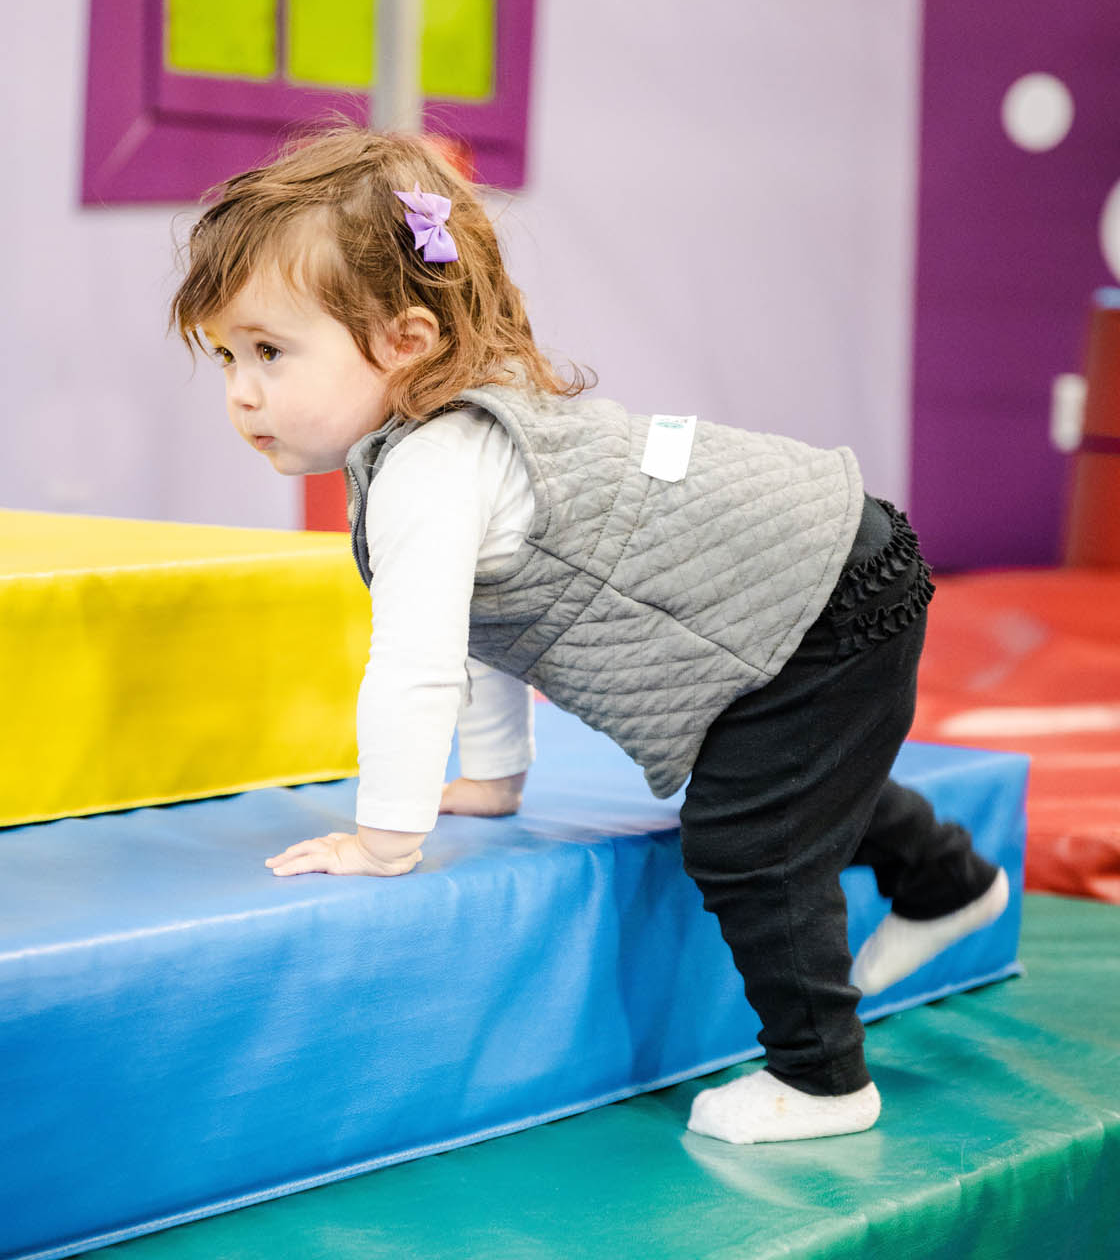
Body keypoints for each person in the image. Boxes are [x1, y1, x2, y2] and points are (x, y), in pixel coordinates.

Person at [169, 121, 1010, 1145]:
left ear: (405, 340)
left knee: (749, 837)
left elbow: (418, 661)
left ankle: (824, 1078)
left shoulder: (433, 465)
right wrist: (492, 780)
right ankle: (950, 881)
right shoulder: (428, 432)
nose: (242, 392)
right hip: (830, 566)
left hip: (824, 589)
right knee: (788, 766)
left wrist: (385, 836)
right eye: (224, 356)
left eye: (269, 351)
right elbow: (485, 621)